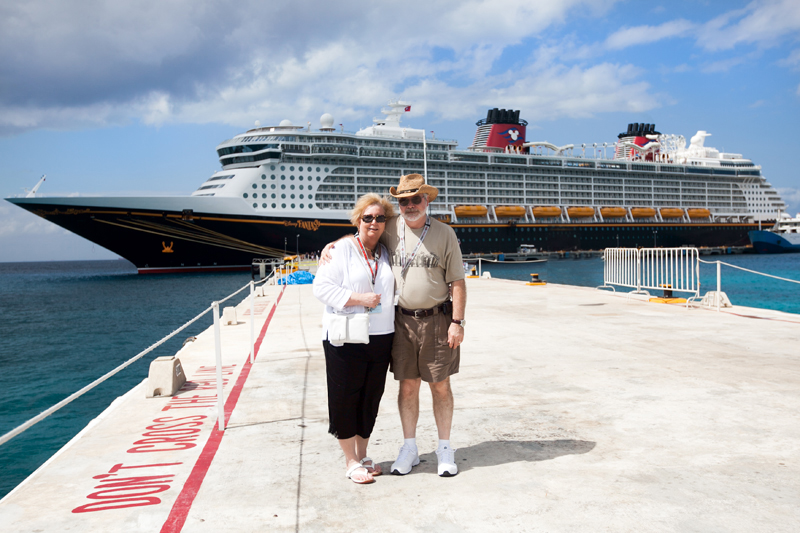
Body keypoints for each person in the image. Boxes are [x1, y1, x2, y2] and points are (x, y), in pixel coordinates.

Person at [321, 173, 466, 477]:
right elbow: (362, 236)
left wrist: (457, 322)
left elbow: (457, 281)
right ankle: (409, 448)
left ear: (427, 199)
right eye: (404, 200)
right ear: (397, 205)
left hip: (438, 320)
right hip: (401, 323)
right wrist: (335, 243)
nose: (410, 204)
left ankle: (444, 447)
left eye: (416, 198)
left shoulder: (444, 233)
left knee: (440, 386)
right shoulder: (390, 230)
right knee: (408, 387)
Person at [312, 193, 396, 484]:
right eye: (367, 217)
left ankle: (363, 453)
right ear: (358, 220)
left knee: (370, 397)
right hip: (345, 337)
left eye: (380, 218)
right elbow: (320, 287)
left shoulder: (383, 252)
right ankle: (350, 460)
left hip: (381, 336)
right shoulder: (342, 249)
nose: (374, 222)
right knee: (345, 397)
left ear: (386, 222)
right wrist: (357, 298)